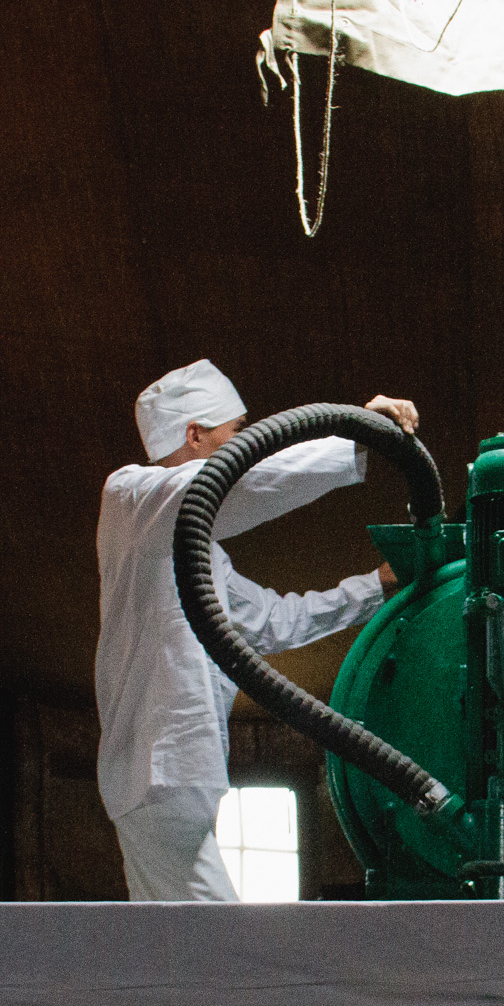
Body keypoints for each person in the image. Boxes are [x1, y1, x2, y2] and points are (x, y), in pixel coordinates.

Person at [96, 360, 417, 901]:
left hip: (176, 776)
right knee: (217, 951)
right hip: (159, 770)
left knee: (181, 953)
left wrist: (377, 585)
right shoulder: (130, 497)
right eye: (236, 434)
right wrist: (355, 437)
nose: (247, 442)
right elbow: (234, 482)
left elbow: (272, 621)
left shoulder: (199, 557)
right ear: (193, 434)